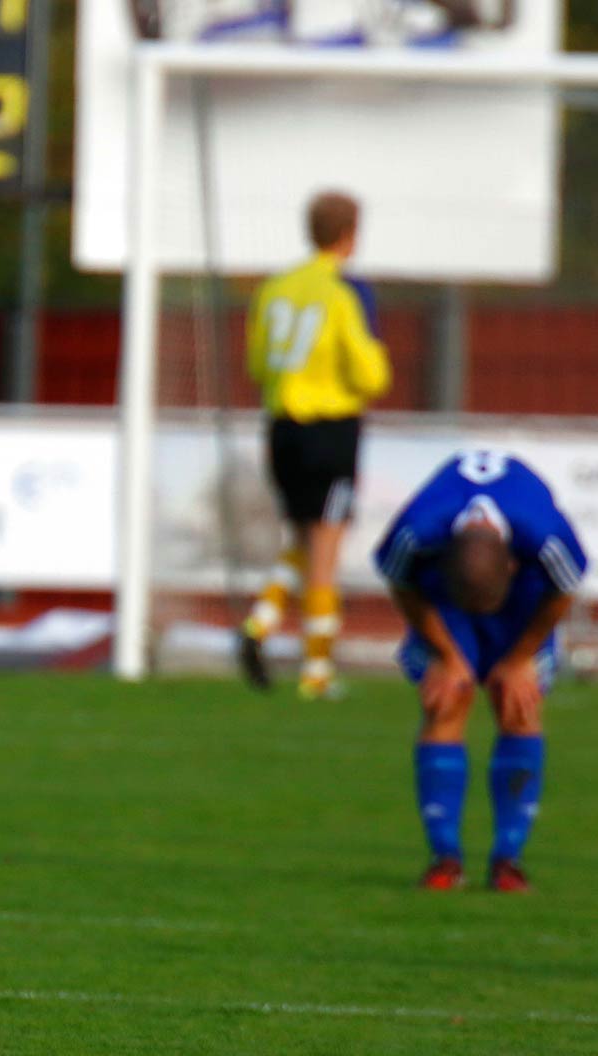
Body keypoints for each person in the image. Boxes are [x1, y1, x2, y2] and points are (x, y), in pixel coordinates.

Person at [372, 450, 588, 892]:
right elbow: (401, 584)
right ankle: (445, 857)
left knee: (518, 705)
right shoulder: (417, 532)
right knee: (446, 699)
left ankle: (508, 858)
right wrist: (448, 657)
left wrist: (518, 660)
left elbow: (564, 592)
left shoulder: (546, 539)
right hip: (442, 596)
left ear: (512, 561)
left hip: (526, 596)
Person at [238, 190, 391, 700]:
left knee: (302, 538)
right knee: (325, 551)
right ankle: (316, 673)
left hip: (282, 428)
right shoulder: (345, 293)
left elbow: (258, 364)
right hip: (331, 429)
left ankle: (261, 621)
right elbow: (370, 373)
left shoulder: (275, 289)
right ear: (351, 234)